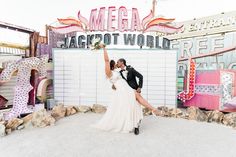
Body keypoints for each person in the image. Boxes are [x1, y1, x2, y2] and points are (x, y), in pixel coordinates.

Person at [91, 44, 143, 135]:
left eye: (117, 63)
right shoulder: (109, 72)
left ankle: (136, 124)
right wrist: (104, 48)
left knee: (134, 104)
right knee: (126, 106)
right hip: (121, 92)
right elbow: (106, 60)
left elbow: (124, 77)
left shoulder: (117, 72)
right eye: (115, 63)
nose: (116, 64)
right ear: (112, 65)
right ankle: (129, 124)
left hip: (127, 89)